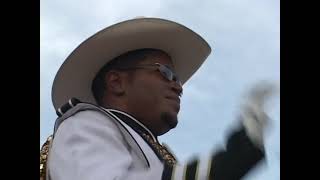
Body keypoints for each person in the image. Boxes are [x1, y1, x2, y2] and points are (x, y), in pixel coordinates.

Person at [42, 17, 276, 180]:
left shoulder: (153, 150)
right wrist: (233, 157)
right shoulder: (83, 125)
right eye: (165, 73)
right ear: (117, 82)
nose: (178, 87)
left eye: (178, 80)